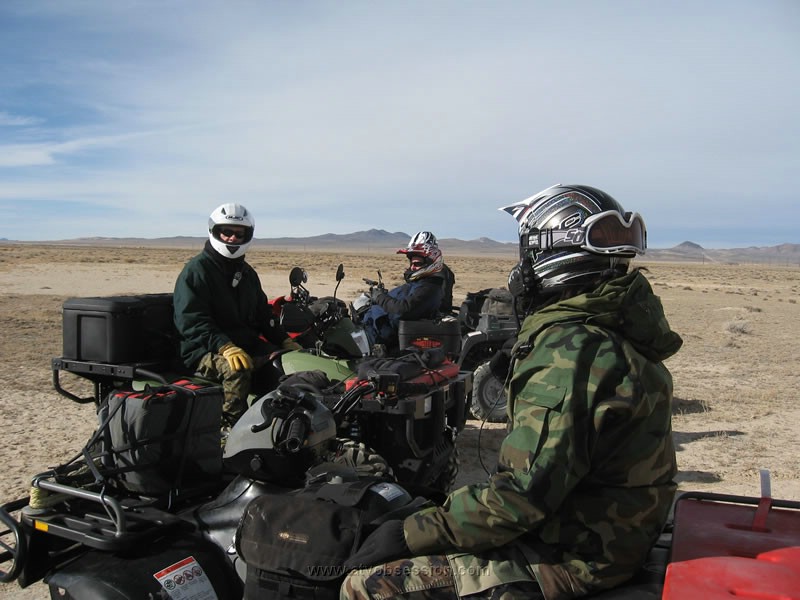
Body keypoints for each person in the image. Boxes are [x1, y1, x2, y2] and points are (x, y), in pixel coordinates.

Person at [341, 184, 683, 599]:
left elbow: (519, 499)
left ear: (549, 256)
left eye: (527, 253)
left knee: (363, 586)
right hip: (609, 532)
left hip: (575, 555)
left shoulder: (571, 352)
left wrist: (409, 532)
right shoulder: (615, 326)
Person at [173, 203, 301, 428]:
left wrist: (284, 340)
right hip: (201, 350)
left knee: (285, 362)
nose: (232, 238)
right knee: (236, 370)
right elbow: (191, 320)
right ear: (215, 231)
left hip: (243, 344)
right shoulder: (197, 271)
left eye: (239, 234)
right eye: (227, 232)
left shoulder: (246, 273)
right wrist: (224, 346)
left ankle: (278, 421)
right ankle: (229, 428)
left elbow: (263, 314)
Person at [360, 233, 449, 349]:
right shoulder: (421, 282)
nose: (412, 267)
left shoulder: (429, 288)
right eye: (411, 263)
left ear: (430, 262)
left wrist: (380, 297)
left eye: (417, 264)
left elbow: (402, 310)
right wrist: (384, 296)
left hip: (378, 332)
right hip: (374, 324)